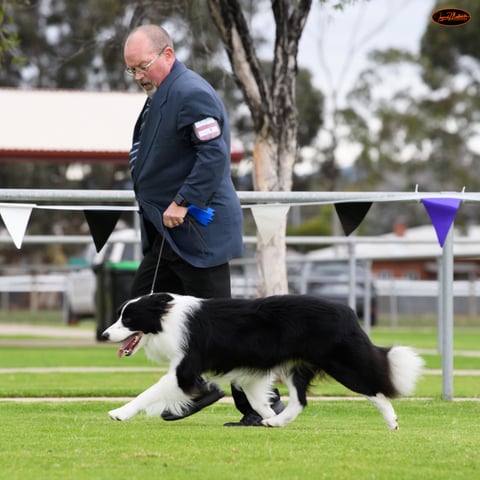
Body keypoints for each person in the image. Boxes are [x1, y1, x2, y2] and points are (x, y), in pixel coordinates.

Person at [123, 24, 284, 426]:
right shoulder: (163, 94)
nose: (139, 77)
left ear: (168, 55)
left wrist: (182, 201)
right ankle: (196, 384)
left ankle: (265, 405)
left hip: (197, 229)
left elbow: (214, 156)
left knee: (224, 326)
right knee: (140, 306)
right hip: (167, 234)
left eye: (143, 67)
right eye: (132, 71)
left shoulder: (191, 92)